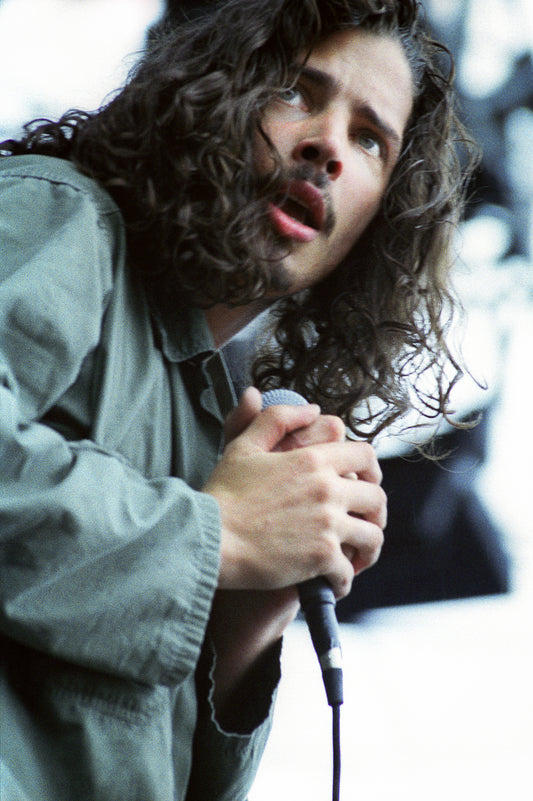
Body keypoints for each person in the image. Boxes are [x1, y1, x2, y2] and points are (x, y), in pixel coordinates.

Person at [0, 1, 476, 799]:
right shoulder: (63, 215)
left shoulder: (219, 425)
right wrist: (219, 535)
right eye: (297, 90)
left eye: (370, 138)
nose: (328, 146)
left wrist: (251, 616)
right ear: (212, 93)